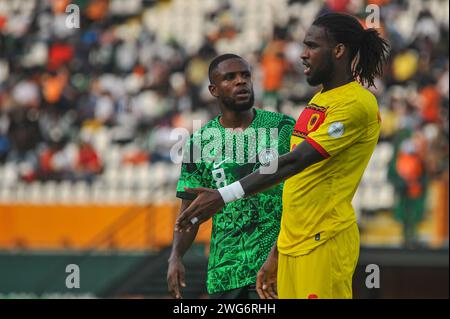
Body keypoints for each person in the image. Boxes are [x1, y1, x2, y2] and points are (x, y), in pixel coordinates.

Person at [175, 13, 389, 299]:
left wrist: (224, 195)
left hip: (323, 239)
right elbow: (297, 183)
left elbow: (296, 161)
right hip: (293, 243)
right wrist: (276, 252)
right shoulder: (321, 100)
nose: (302, 55)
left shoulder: (356, 104)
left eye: (312, 46)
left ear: (338, 51)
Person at [167, 54, 295, 299]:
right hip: (226, 272)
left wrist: (279, 254)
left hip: (276, 267)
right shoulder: (199, 143)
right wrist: (176, 256)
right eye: (230, 78)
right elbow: (189, 212)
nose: (241, 82)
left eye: (245, 75)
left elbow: (302, 189)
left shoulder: (283, 128)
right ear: (213, 90)